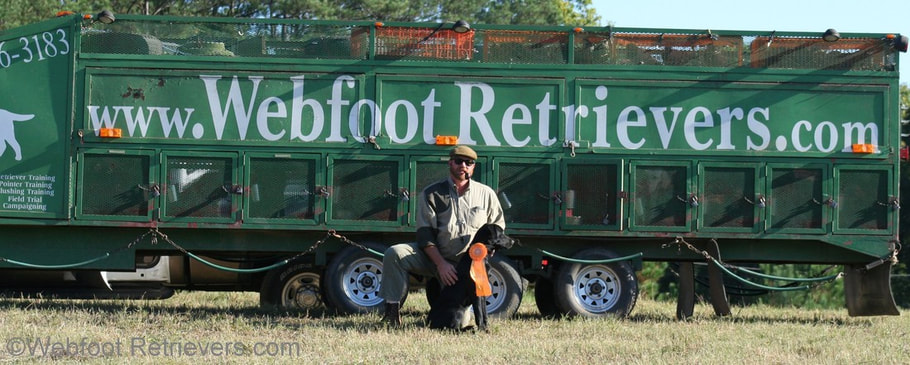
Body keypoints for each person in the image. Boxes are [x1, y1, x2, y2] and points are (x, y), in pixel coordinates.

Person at [378, 145, 505, 327]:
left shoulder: (486, 194)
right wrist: (441, 264)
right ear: (450, 163)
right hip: (434, 257)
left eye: (469, 163)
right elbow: (425, 234)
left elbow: (497, 227)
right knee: (394, 253)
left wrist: (488, 250)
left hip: (466, 266)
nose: (464, 165)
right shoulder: (432, 192)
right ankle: (391, 313)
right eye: (459, 161)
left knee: (458, 323)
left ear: (473, 167)